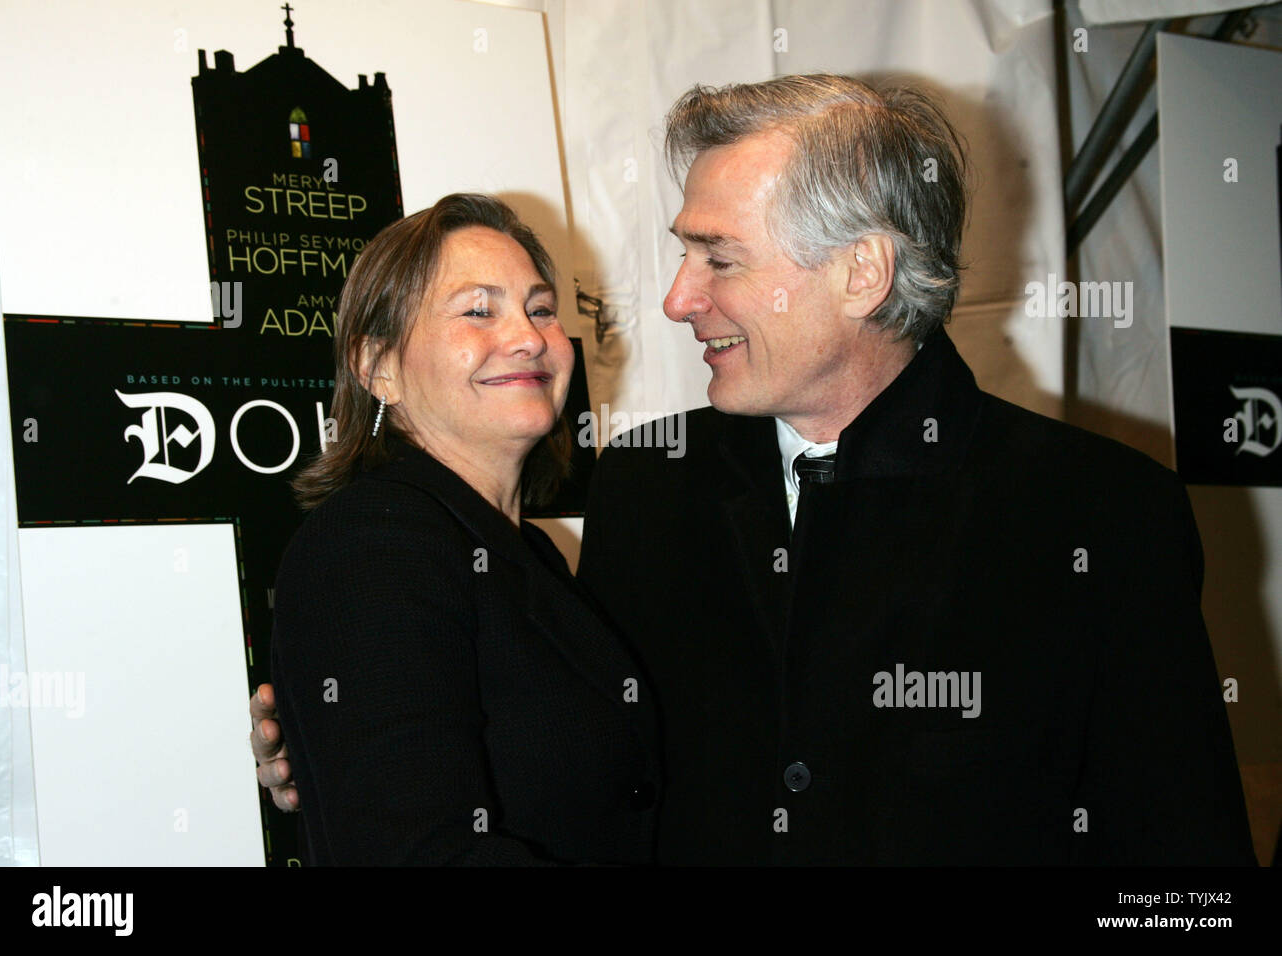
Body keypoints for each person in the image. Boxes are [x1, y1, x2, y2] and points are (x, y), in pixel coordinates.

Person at [255, 75, 1255, 865]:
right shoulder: (650, 481)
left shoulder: (1097, 512)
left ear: (860, 273)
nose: (676, 298)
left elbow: (1179, 871)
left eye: (718, 259)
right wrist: (343, 731)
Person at [264, 193, 659, 865]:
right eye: (479, 310)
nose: (529, 336)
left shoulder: (530, 552)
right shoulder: (370, 545)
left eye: (539, 309)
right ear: (378, 366)